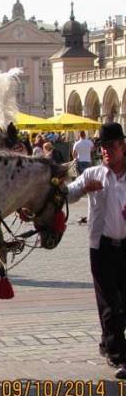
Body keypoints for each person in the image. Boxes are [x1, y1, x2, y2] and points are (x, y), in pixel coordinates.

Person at [67, 122, 126, 380]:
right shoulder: (93, 175)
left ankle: (108, 342)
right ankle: (118, 355)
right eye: (102, 147)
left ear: (123, 147)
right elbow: (67, 193)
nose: (106, 152)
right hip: (101, 247)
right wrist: (80, 190)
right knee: (109, 303)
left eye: (111, 146)